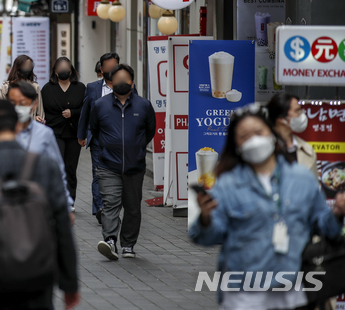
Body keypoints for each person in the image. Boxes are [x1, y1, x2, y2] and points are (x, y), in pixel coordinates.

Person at [190, 104, 345, 310]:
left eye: (258, 132)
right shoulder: (228, 184)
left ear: (271, 135)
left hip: (293, 290)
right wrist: (206, 218)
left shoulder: (302, 179)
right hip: (244, 294)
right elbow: (206, 237)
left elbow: (325, 227)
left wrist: (337, 212)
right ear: (236, 145)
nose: (253, 140)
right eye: (244, 136)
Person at [0, 100, 80, 310]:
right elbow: (62, 226)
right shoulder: (45, 167)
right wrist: (70, 283)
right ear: (18, 126)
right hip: (37, 278)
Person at [90, 64, 155, 260]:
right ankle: (110, 240)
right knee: (110, 203)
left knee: (133, 207)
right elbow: (95, 130)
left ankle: (128, 244)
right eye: (116, 79)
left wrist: (137, 147)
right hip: (107, 165)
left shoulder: (144, 105)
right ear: (111, 83)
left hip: (134, 166)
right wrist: (107, 148)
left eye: (124, 79)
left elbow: (149, 130)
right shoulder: (100, 105)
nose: (120, 83)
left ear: (132, 82)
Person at [0, 81, 74, 211]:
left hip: (36, 203)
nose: (17, 107)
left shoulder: (44, 134)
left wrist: (66, 205)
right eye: (13, 103)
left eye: (23, 103)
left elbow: (58, 171)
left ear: (34, 104)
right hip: (2, 203)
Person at [77, 52, 121, 223]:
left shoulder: (126, 86)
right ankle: (100, 208)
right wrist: (82, 135)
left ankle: (111, 206)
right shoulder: (93, 87)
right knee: (98, 174)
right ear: (101, 70)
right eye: (108, 68)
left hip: (119, 140)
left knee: (116, 175)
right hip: (98, 139)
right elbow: (85, 112)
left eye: (114, 67)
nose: (111, 71)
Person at [41, 57, 86, 209]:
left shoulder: (80, 88)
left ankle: (70, 200)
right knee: (58, 166)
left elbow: (86, 109)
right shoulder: (48, 88)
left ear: (72, 70)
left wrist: (72, 112)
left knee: (71, 168)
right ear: (55, 71)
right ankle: (57, 198)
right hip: (55, 132)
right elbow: (44, 110)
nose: (63, 70)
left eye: (66, 67)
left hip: (74, 133)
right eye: (60, 68)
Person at [266, 93, 318, 178]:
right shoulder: (264, 148)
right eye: (297, 111)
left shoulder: (307, 150)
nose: (302, 115)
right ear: (282, 119)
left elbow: (314, 188)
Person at [0, 54, 44, 121]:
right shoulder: (5, 87)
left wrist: (38, 119)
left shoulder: (35, 87)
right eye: (24, 66)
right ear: (17, 67)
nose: (26, 68)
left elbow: (40, 112)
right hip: (11, 124)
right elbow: (1, 108)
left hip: (30, 125)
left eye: (29, 66)